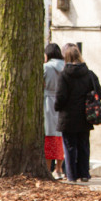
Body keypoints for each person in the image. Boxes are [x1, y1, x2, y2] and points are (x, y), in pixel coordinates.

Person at [54, 44, 101, 183]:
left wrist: (57, 107)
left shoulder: (64, 75)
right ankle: (84, 173)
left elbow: (61, 97)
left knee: (70, 146)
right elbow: (99, 93)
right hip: (85, 115)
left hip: (67, 116)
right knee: (83, 145)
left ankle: (71, 175)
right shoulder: (89, 74)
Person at [43, 44, 66, 178]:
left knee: (49, 134)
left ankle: (47, 167)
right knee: (61, 135)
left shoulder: (46, 67)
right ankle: (59, 168)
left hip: (48, 101)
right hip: (63, 102)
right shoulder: (65, 66)